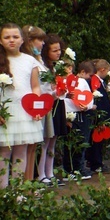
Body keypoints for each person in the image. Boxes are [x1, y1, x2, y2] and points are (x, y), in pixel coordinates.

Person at [0, 23, 44, 189]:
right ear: (0, 41)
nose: (11, 40)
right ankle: (3, 191)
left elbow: (35, 87)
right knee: (3, 152)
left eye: (15, 37)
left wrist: (37, 109)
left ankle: (18, 191)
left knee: (21, 151)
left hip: (24, 112)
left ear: (22, 40)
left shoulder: (30, 61)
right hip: (3, 112)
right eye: (7, 37)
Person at [37, 34, 68, 186]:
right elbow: (42, 89)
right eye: (54, 50)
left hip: (57, 103)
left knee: (53, 140)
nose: (58, 53)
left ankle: (49, 172)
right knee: (45, 140)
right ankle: (41, 174)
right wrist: (55, 92)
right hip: (48, 103)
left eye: (59, 50)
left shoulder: (56, 67)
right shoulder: (42, 67)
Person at [21, 25, 47, 181]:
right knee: (25, 148)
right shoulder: (26, 60)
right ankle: (23, 183)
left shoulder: (37, 59)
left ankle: (29, 183)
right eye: (40, 40)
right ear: (30, 41)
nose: (43, 44)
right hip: (28, 105)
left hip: (39, 105)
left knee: (33, 147)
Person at [63, 61, 96, 180]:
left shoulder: (81, 81)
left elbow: (88, 96)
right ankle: (69, 169)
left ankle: (79, 167)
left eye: (69, 67)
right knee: (70, 143)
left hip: (81, 114)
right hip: (68, 114)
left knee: (81, 141)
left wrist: (86, 106)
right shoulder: (61, 81)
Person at [86, 59, 110, 173]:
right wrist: (100, 118)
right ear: (102, 70)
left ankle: (98, 162)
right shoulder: (95, 81)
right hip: (98, 116)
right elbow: (97, 99)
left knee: (99, 141)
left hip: (102, 115)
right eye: (107, 71)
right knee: (96, 141)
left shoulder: (99, 81)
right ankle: (95, 163)